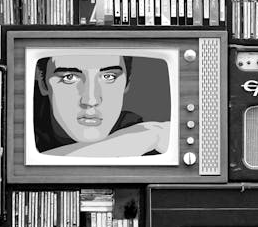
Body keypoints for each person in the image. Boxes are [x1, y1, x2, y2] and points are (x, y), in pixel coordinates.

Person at [33, 53, 170, 157]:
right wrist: (137, 141)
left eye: (109, 77)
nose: (91, 100)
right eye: (69, 77)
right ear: (42, 83)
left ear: (127, 83)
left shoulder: (132, 127)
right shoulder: (20, 121)